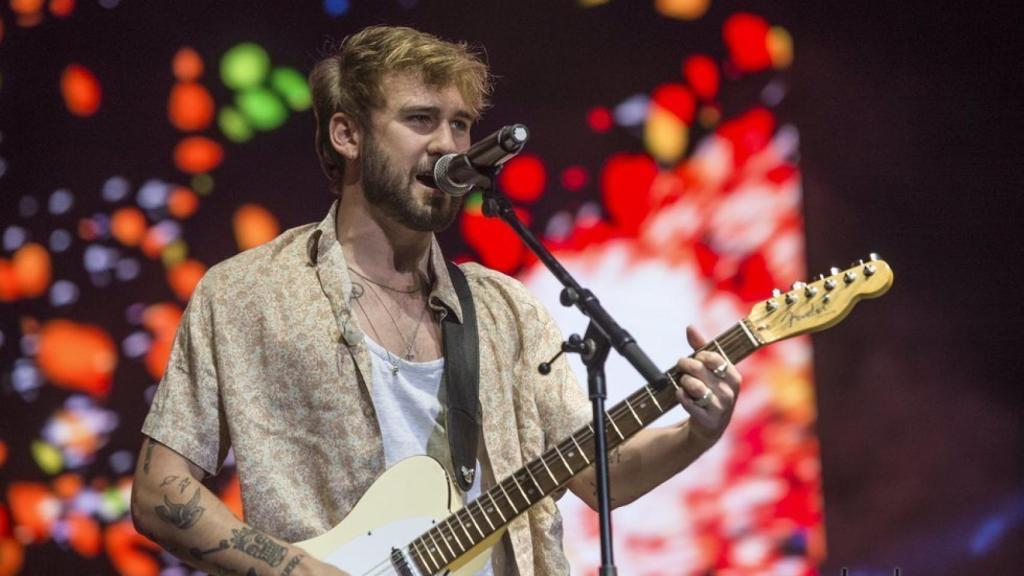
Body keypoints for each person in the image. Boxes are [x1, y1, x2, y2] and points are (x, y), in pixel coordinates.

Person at [130, 25, 741, 576]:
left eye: (460, 124)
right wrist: (301, 572)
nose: (449, 146)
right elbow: (161, 493)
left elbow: (601, 473)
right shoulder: (247, 295)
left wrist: (696, 434)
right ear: (347, 134)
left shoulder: (506, 311)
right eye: (421, 120)